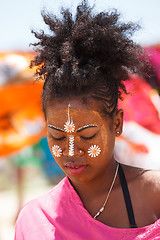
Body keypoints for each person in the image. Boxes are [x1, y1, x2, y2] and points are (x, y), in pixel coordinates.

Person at [14, 1, 160, 239]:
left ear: (117, 124)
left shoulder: (155, 196)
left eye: (87, 135)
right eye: (58, 136)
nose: (70, 151)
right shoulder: (35, 220)